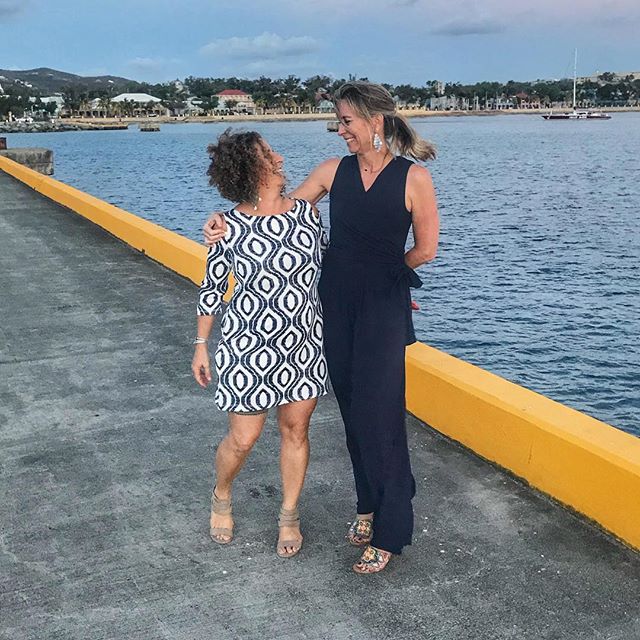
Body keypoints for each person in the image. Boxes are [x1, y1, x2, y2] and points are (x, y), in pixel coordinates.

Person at [204, 82, 439, 573]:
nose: (340, 130)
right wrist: (223, 222)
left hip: (379, 308)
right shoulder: (333, 172)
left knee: (382, 416)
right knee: (355, 414)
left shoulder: (413, 178)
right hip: (333, 310)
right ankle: (368, 506)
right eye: (338, 122)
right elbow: (277, 207)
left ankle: (392, 529)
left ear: (374, 120)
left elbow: (424, 250)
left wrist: (387, 278)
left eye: (346, 122)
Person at [192, 129, 328, 558]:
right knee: (244, 438)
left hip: (304, 341)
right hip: (247, 346)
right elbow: (213, 288)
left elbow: (339, 263)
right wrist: (201, 343)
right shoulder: (227, 227)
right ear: (252, 168)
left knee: (296, 429)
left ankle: (289, 513)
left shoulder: (308, 214)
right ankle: (222, 492)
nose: (280, 158)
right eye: (269, 154)